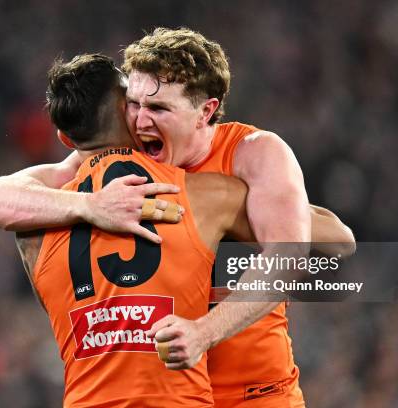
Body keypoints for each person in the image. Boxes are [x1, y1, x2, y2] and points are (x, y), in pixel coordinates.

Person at [0, 28, 355, 407]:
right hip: (176, 394)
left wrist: (205, 331)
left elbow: (306, 250)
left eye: (158, 108)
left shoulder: (252, 154)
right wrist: (91, 206)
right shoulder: (122, 154)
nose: (139, 121)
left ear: (205, 111)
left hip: (255, 395)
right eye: (134, 104)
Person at [14, 53, 253, 407]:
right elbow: (328, 239)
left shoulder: (31, 229)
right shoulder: (202, 193)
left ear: (65, 139)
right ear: (130, 112)